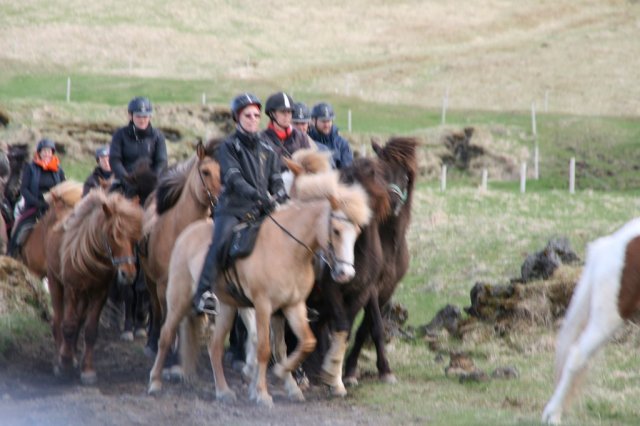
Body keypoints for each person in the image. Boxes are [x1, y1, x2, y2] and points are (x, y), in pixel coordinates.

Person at [192, 92, 288, 315]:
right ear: (237, 118)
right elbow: (234, 178)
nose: (253, 119)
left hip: (261, 209)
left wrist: (281, 192)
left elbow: (275, 177)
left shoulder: (268, 148)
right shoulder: (228, 147)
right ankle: (203, 293)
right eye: (247, 115)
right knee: (221, 240)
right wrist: (258, 195)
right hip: (232, 209)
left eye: (256, 115)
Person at [8, 138, 65, 256]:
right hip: (34, 206)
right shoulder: (30, 167)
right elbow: (24, 189)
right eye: (44, 151)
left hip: (53, 206)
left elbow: (63, 187)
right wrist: (37, 203)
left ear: (52, 153)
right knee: (19, 227)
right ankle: (11, 254)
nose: (46, 154)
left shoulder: (59, 170)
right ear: (39, 152)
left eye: (49, 151)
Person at [109, 96, 167, 193]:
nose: (142, 120)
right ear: (130, 116)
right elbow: (115, 160)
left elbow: (162, 161)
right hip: (125, 181)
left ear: (150, 117)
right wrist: (127, 180)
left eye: (145, 116)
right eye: (138, 116)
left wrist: (153, 180)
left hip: (151, 182)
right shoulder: (119, 134)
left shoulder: (158, 136)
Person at [260, 92, 312, 168]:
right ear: (272, 114)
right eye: (282, 111)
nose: (287, 115)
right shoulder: (262, 139)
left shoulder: (301, 137)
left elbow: (309, 164)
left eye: (289, 112)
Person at [308, 102, 353, 169]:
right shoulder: (306, 141)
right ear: (314, 121)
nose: (326, 125)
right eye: (323, 121)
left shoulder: (342, 144)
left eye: (328, 121)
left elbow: (347, 170)